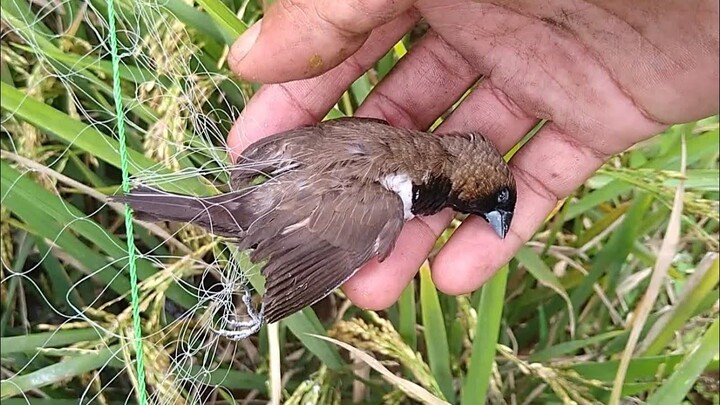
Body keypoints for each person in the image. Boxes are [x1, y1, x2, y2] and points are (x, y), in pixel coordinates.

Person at [224, 0, 719, 311]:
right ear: (471, 187)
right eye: (497, 202)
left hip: (275, 190)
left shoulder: (389, 149)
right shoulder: (387, 199)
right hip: (269, 204)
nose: (495, 213)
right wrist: (269, 301)